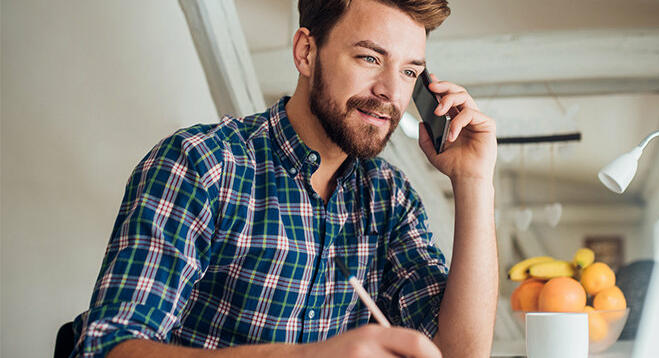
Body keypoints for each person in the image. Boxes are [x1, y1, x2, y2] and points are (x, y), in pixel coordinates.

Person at [71, 0, 498, 356]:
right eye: (370, 58)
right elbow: (110, 347)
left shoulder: (391, 199)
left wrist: (473, 181)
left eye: (409, 71)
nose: (391, 91)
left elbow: (459, 353)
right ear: (306, 53)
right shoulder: (201, 164)